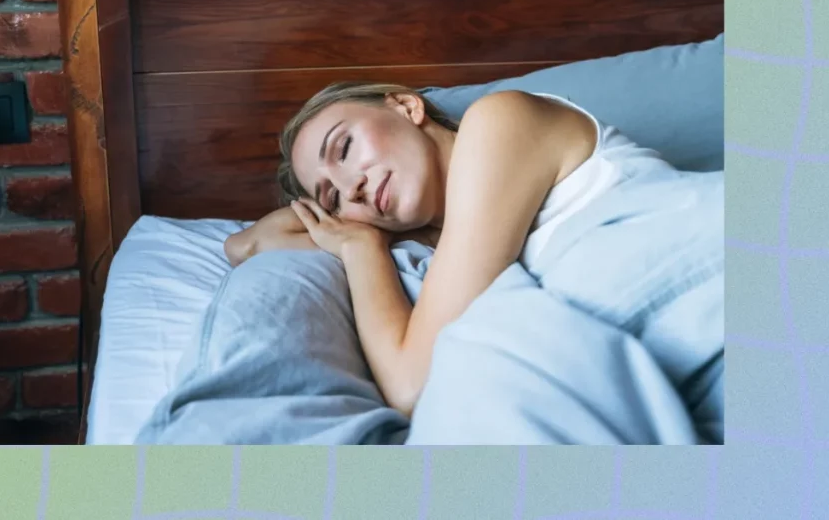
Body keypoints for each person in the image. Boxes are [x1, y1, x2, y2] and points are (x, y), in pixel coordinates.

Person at [223, 81, 601, 417]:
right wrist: (362, 238)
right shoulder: (442, 241)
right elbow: (244, 246)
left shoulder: (501, 119)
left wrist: (362, 249)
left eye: (344, 148)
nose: (350, 187)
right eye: (333, 198)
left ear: (406, 106)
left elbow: (412, 387)